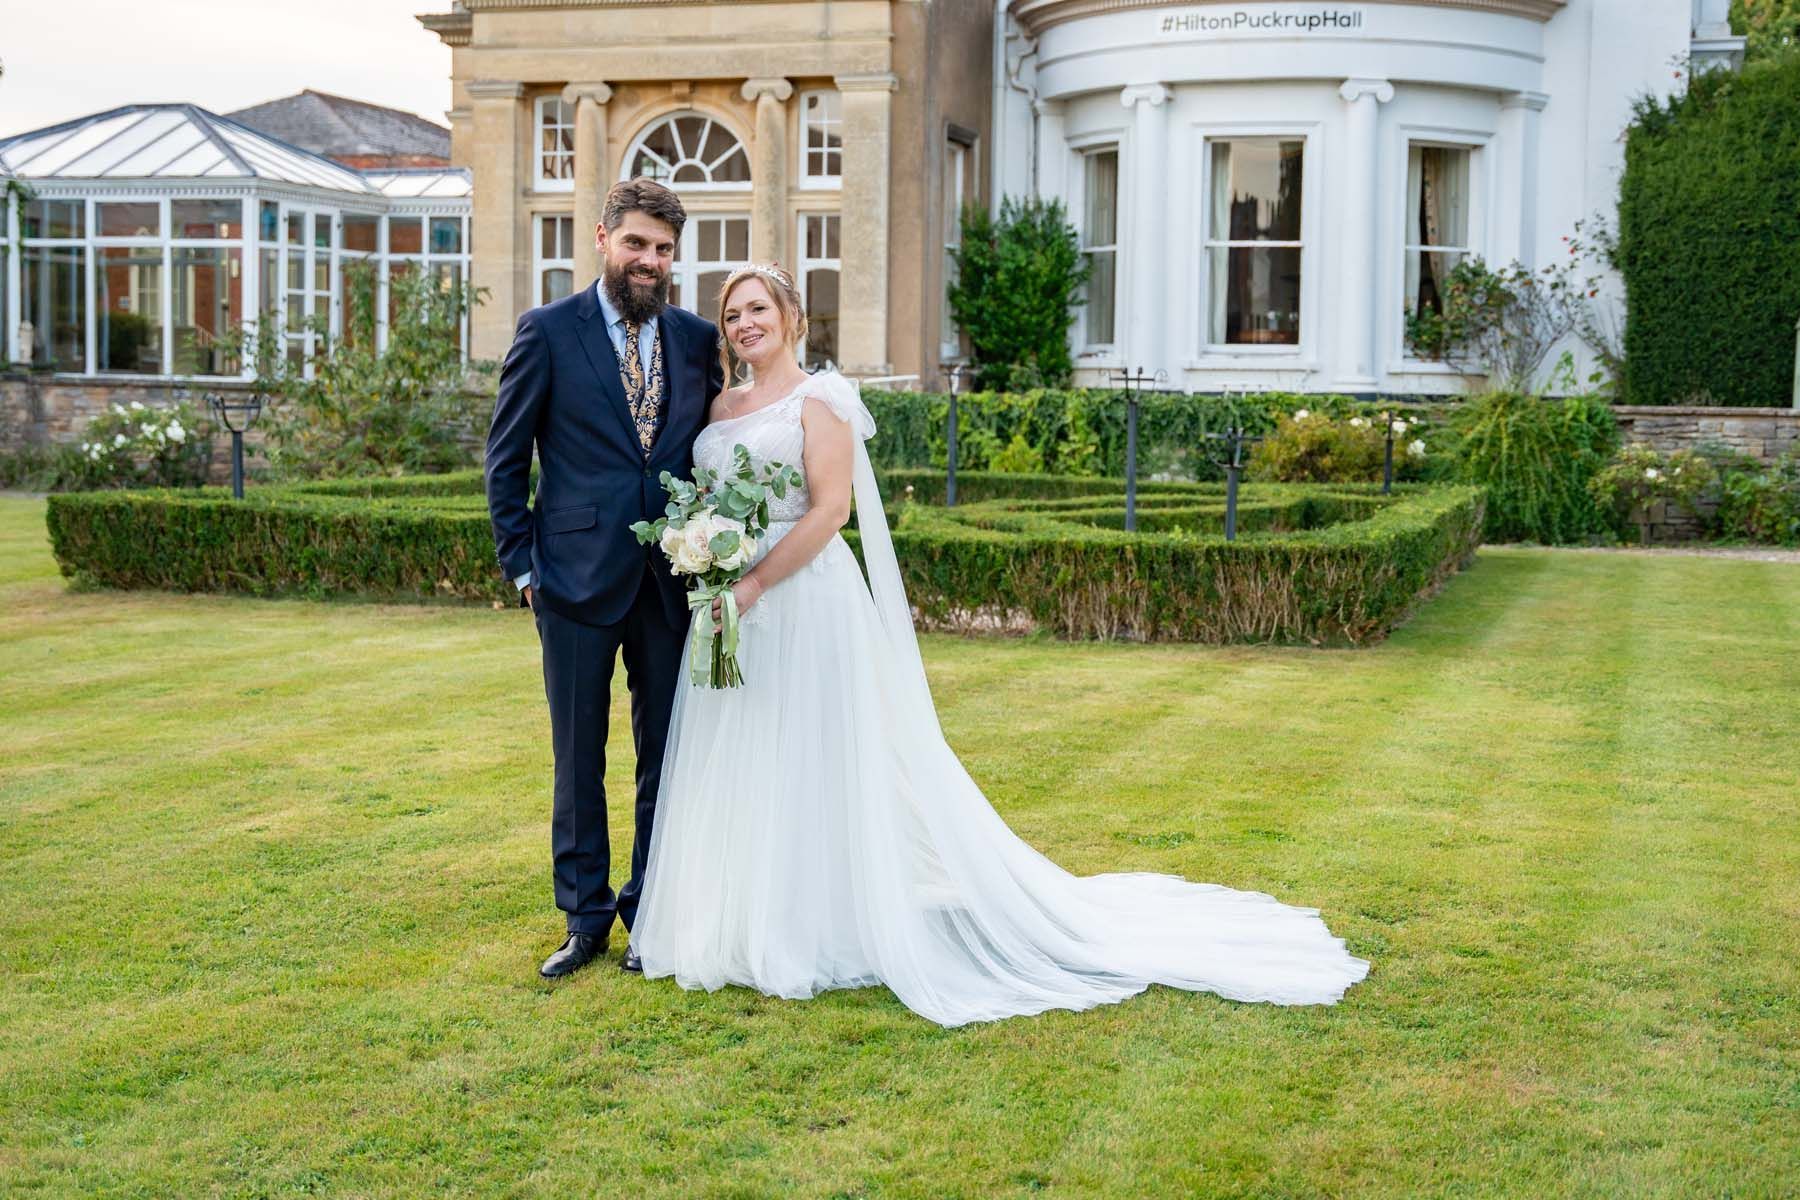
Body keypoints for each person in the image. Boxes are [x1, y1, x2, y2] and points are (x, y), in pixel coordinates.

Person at [631, 265, 1370, 1026]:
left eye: (758, 308)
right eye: (732, 314)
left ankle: (815, 922)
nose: (744, 324)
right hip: (729, 601)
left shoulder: (821, 401)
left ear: (793, 317)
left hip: (802, 602)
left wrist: (754, 583)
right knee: (745, 747)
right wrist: (709, 556)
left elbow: (829, 512)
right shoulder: (721, 405)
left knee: (811, 754)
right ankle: (741, 916)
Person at [484, 178, 725, 979]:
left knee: (667, 756)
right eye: (637, 244)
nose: (649, 261)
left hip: (671, 582)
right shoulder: (548, 331)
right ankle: (584, 920)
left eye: (663, 249)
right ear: (602, 238)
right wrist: (524, 567)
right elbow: (506, 458)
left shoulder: (696, 339)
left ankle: (649, 912)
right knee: (577, 757)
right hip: (572, 582)